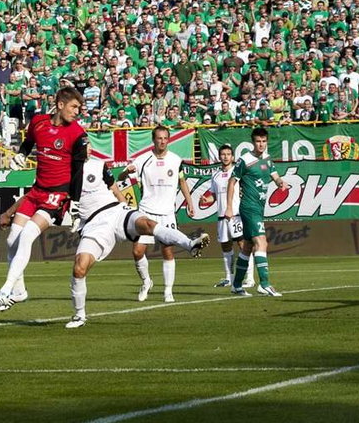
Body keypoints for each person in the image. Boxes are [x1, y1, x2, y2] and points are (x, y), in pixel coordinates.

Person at [64, 157, 211, 328]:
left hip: (116, 211)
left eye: (87, 143)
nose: (87, 147)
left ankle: (190, 244)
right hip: (93, 224)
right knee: (79, 268)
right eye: (83, 144)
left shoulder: (98, 165)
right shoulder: (61, 173)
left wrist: (124, 206)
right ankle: (79, 315)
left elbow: (115, 188)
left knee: (147, 224)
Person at [0, 87, 88, 311]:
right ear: (60, 105)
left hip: (57, 194)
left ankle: (5, 291)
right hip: (37, 190)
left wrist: (75, 203)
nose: (76, 112)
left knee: (27, 236)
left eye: (78, 108)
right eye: (73, 107)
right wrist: (21, 155)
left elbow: (78, 171)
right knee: (13, 239)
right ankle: (20, 292)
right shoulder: (39, 122)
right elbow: (28, 142)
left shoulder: (78, 134)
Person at [118, 125, 195, 303]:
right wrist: (125, 172)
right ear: (153, 140)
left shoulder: (176, 160)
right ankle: (146, 282)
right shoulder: (142, 159)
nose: (162, 141)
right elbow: (120, 179)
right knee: (137, 251)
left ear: (169, 139)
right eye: (159, 138)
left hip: (167, 213)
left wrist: (190, 203)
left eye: (165, 138)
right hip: (146, 211)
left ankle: (168, 291)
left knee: (167, 251)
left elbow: (182, 182)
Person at [225, 127, 288, 297]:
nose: (261, 144)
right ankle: (264, 284)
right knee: (262, 242)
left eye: (264, 141)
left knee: (247, 247)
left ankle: (236, 285)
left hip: (259, 208)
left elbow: (275, 176)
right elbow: (232, 182)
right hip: (249, 207)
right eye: (258, 141)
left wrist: (281, 182)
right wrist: (229, 207)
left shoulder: (267, 159)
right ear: (253, 142)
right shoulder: (244, 160)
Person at [200, 144, 255, 288]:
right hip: (221, 216)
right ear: (219, 157)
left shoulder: (237, 172)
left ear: (232, 157)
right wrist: (207, 200)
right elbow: (214, 195)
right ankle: (229, 277)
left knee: (243, 244)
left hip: (236, 214)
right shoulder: (216, 175)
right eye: (223, 154)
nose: (225, 156)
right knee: (226, 246)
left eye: (228, 154)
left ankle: (249, 278)